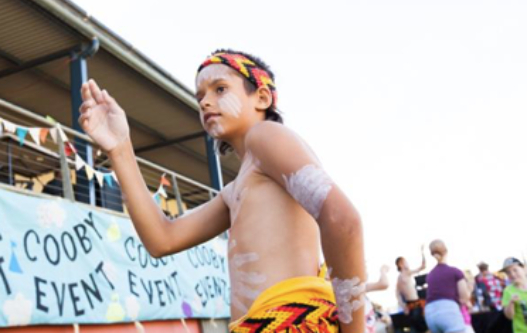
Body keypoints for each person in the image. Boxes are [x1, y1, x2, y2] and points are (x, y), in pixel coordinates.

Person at [78, 50, 366, 332]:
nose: (205, 102)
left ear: (262, 98)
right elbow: (161, 239)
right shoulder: (236, 189)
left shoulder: (265, 135)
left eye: (220, 89)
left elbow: (342, 220)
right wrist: (120, 148)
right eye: (200, 96)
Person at [424, 239, 471, 333]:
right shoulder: (455, 272)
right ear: (446, 251)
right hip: (448, 311)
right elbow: (464, 299)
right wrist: (470, 288)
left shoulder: (430, 275)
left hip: (429, 314)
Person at [395, 246, 427, 332]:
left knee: (418, 326)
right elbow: (397, 294)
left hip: (414, 304)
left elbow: (423, 266)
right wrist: (403, 305)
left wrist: (422, 253)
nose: (407, 263)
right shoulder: (403, 275)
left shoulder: (405, 275)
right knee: (419, 327)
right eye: (405, 261)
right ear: (401, 264)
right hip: (412, 305)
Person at [501, 257, 527, 333]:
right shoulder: (508, 291)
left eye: (515, 270)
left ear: (524, 268)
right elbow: (509, 316)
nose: (512, 274)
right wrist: (511, 303)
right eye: (508, 272)